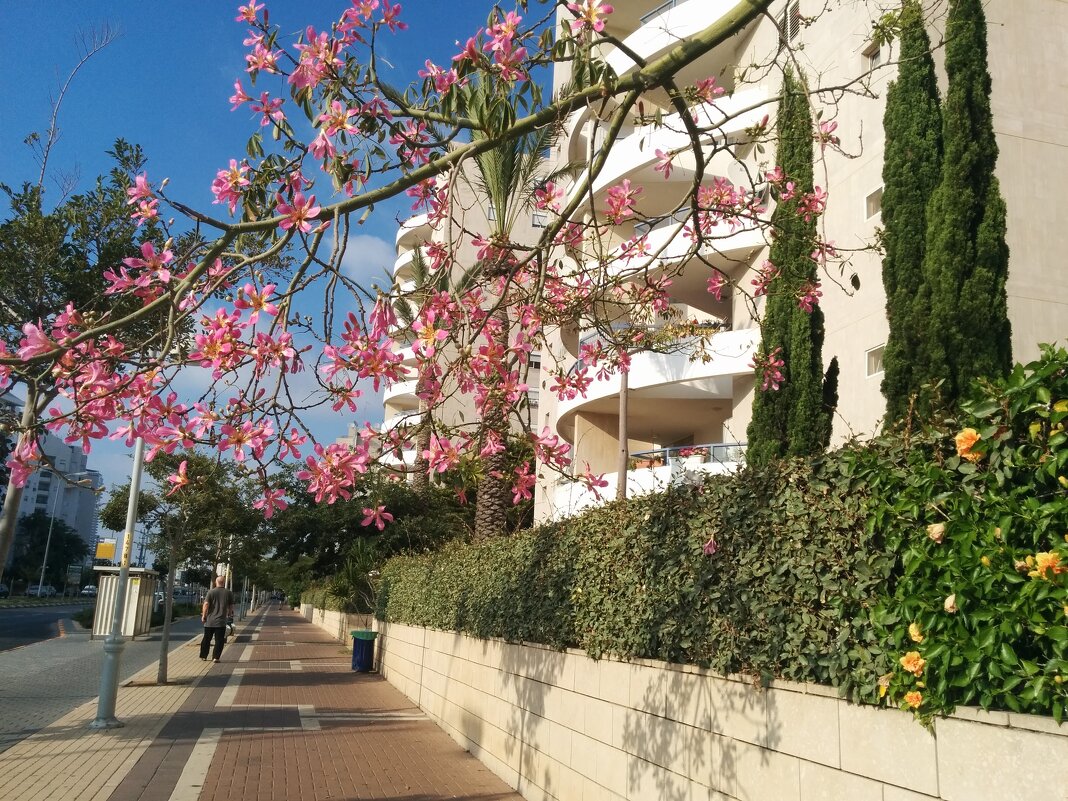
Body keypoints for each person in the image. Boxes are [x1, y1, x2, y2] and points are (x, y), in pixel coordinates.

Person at [200, 575, 235, 663]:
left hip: (210, 621)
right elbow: (231, 606)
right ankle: (216, 657)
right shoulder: (228, 593)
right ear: (223, 583)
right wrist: (230, 614)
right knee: (219, 640)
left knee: (206, 639)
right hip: (221, 622)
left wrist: (204, 615)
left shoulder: (211, 592)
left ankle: (204, 656)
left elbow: (206, 604)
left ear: (216, 582)